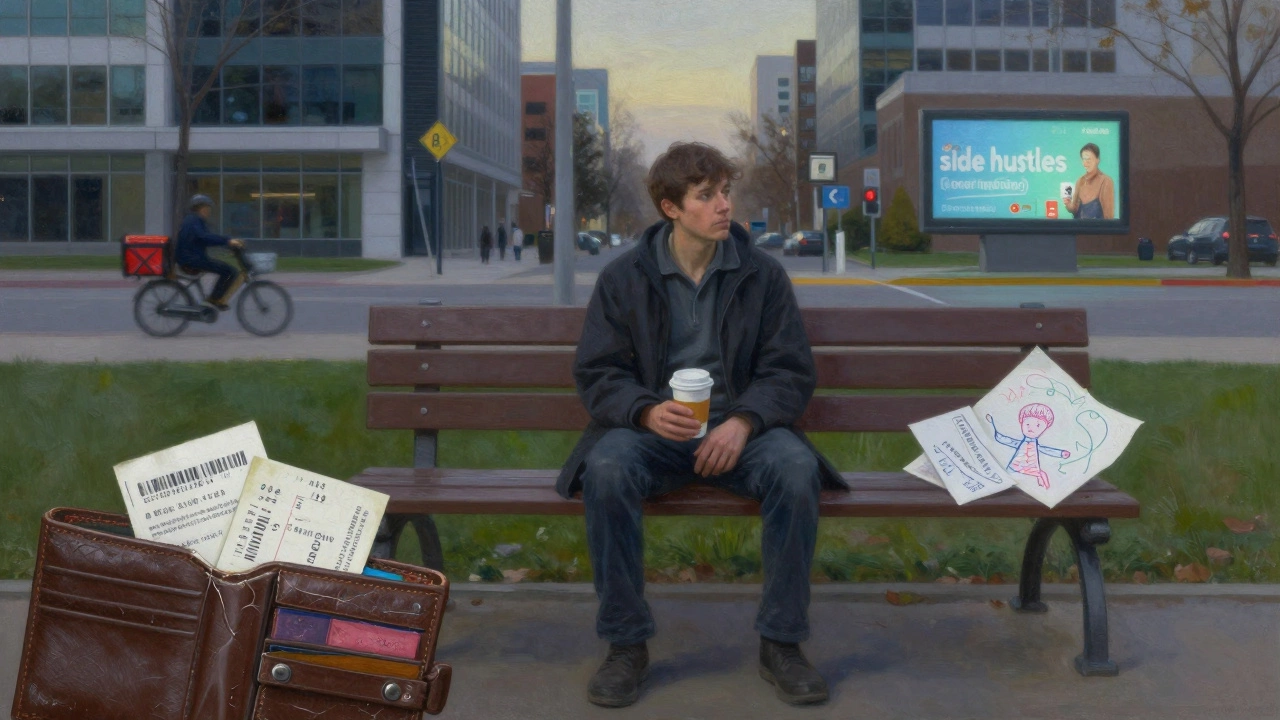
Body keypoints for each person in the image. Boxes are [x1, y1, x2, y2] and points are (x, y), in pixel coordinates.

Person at [560, 142, 846, 709]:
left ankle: (781, 643)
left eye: (725, 192)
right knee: (608, 467)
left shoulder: (761, 276)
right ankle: (625, 645)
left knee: (795, 467)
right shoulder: (624, 279)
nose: (724, 206)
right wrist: (644, 409)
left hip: (743, 437)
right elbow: (597, 371)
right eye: (706, 195)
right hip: (653, 437)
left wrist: (743, 421)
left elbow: (789, 370)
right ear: (671, 208)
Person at [175, 194, 244, 311]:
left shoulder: (194, 220)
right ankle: (214, 299)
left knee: (226, 269)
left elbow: (206, 239)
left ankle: (214, 298)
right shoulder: (194, 221)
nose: (209, 212)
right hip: (192, 259)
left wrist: (226, 244)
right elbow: (204, 237)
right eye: (207, 208)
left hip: (192, 257)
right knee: (229, 271)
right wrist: (227, 241)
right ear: (200, 208)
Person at [1064, 142, 1116, 220]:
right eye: (1084, 159)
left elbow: (1108, 217)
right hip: (1077, 230)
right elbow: (1074, 209)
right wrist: (1067, 203)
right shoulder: (1080, 181)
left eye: (1089, 159)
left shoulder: (1105, 181)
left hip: (1096, 231)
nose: (1086, 163)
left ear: (1097, 160)